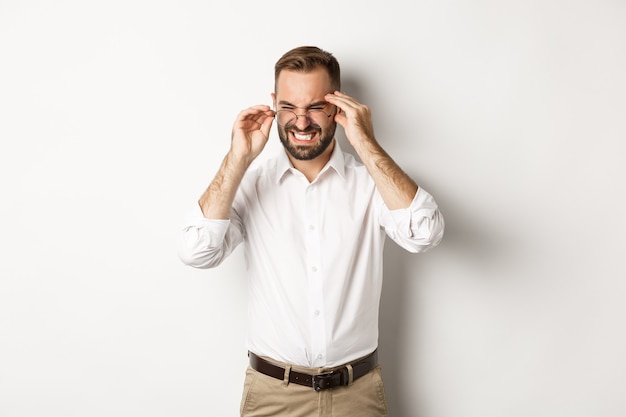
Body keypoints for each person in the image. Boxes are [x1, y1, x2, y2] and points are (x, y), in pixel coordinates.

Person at [178, 46, 444, 417]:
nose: (301, 123)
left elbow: (425, 234)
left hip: (358, 396)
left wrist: (365, 142)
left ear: (339, 107)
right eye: (289, 107)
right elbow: (195, 251)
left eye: (316, 107)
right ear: (273, 104)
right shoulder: (250, 184)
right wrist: (236, 157)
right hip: (273, 396)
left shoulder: (371, 183)